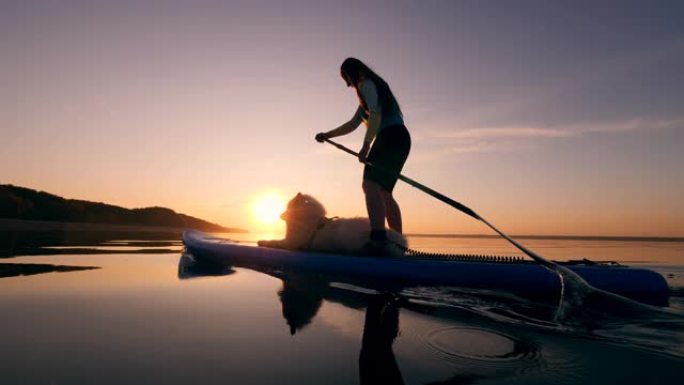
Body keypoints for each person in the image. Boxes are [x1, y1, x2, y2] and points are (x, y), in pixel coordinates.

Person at [316, 58, 411, 255]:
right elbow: (351, 125)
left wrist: (366, 145)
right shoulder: (367, 100)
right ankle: (397, 244)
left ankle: (378, 240)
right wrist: (327, 135)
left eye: (346, 78)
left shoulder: (366, 84)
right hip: (401, 139)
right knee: (384, 192)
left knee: (369, 185)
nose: (347, 84)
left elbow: (375, 115)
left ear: (352, 73)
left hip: (390, 137)